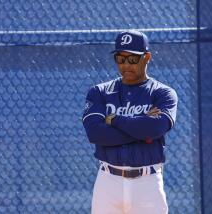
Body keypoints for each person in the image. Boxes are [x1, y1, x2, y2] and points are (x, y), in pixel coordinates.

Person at [82, 30, 178, 214]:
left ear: (147, 57)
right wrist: (141, 130)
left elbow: (156, 127)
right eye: (120, 58)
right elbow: (95, 133)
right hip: (108, 181)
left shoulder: (163, 93)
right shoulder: (99, 92)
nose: (126, 65)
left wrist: (114, 120)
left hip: (147, 183)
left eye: (133, 59)